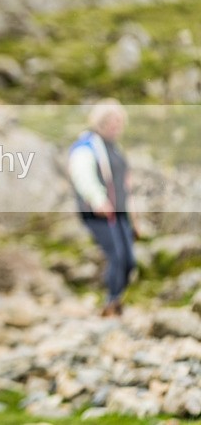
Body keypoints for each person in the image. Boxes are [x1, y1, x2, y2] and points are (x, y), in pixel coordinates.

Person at [68, 98, 136, 317]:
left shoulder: (115, 148)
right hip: (100, 212)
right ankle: (111, 302)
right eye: (112, 122)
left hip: (120, 211)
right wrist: (98, 200)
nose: (116, 127)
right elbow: (82, 176)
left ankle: (116, 299)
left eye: (119, 123)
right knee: (116, 255)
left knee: (129, 260)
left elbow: (124, 182)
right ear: (100, 122)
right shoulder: (86, 146)